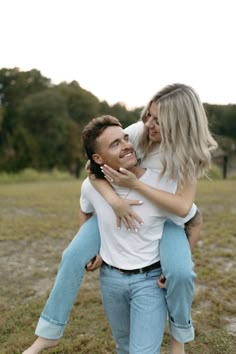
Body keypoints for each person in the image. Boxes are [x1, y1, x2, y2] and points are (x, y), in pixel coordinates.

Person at [22, 84, 217, 354]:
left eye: (158, 120)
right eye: (148, 114)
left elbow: (183, 207)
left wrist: (136, 187)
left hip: (167, 215)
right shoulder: (138, 132)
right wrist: (115, 203)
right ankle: (50, 331)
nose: (148, 123)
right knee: (71, 256)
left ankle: (178, 337)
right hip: (121, 208)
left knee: (181, 273)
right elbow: (94, 169)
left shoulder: (189, 154)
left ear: (179, 123)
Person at [80, 115, 199, 353]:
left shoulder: (162, 184)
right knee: (123, 347)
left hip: (150, 281)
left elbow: (193, 220)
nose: (126, 144)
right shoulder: (91, 186)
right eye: (115, 143)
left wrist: (178, 265)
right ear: (98, 158)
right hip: (111, 279)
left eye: (125, 138)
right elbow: (86, 212)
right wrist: (95, 250)